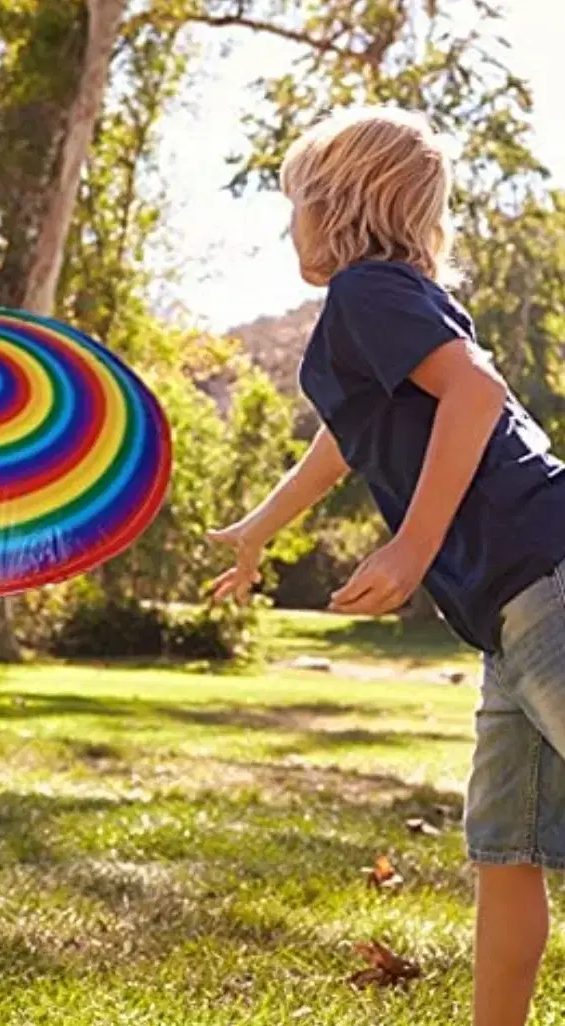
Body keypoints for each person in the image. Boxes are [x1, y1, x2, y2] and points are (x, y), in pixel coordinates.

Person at [208, 106, 565, 1026]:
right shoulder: (385, 308)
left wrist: (412, 544)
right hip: (506, 608)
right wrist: (257, 528)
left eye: (295, 204)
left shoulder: (368, 291)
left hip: (544, 571)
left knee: (509, 846)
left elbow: (476, 394)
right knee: (505, 846)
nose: (290, 225)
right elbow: (344, 443)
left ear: (335, 205)